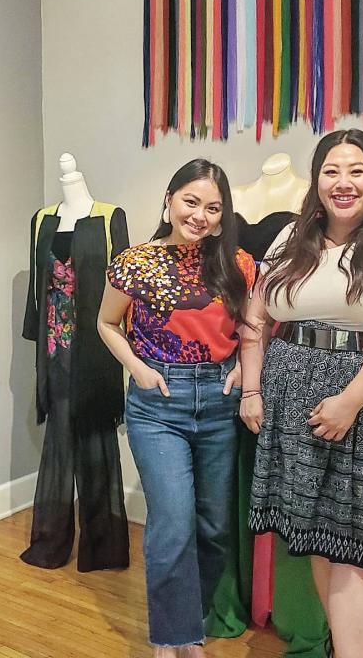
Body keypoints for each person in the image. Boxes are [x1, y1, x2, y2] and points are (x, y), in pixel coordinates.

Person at [240, 129, 363, 658]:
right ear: (316, 179)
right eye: (332, 170)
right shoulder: (290, 239)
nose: (343, 182)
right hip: (293, 401)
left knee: (356, 549)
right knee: (318, 536)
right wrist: (253, 389)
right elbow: (256, 317)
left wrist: (350, 400)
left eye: (357, 170)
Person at [98, 159, 256, 657]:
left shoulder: (239, 263)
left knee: (213, 528)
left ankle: (190, 620)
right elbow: (106, 324)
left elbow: (252, 329)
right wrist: (139, 370)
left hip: (218, 402)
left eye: (213, 207)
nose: (201, 216)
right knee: (172, 522)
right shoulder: (135, 261)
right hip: (157, 403)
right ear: (169, 199)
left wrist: (242, 373)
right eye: (191, 202)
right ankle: (174, 639)